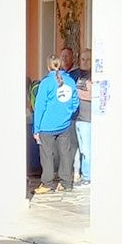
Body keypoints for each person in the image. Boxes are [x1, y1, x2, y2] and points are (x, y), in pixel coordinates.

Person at [32, 55, 79, 194]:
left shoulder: (46, 83)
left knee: (47, 155)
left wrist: (36, 128)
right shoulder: (70, 81)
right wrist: (68, 113)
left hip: (47, 126)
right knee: (65, 153)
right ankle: (65, 182)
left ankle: (48, 183)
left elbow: (39, 106)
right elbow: (75, 102)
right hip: (64, 124)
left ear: (48, 66)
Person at [71, 48, 93, 185]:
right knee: (80, 149)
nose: (85, 62)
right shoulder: (79, 75)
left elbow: (93, 95)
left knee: (87, 150)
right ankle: (79, 173)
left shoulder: (93, 76)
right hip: (78, 118)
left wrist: (76, 93)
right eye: (83, 59)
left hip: (87, 119)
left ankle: (87, 177)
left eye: (88, 59)